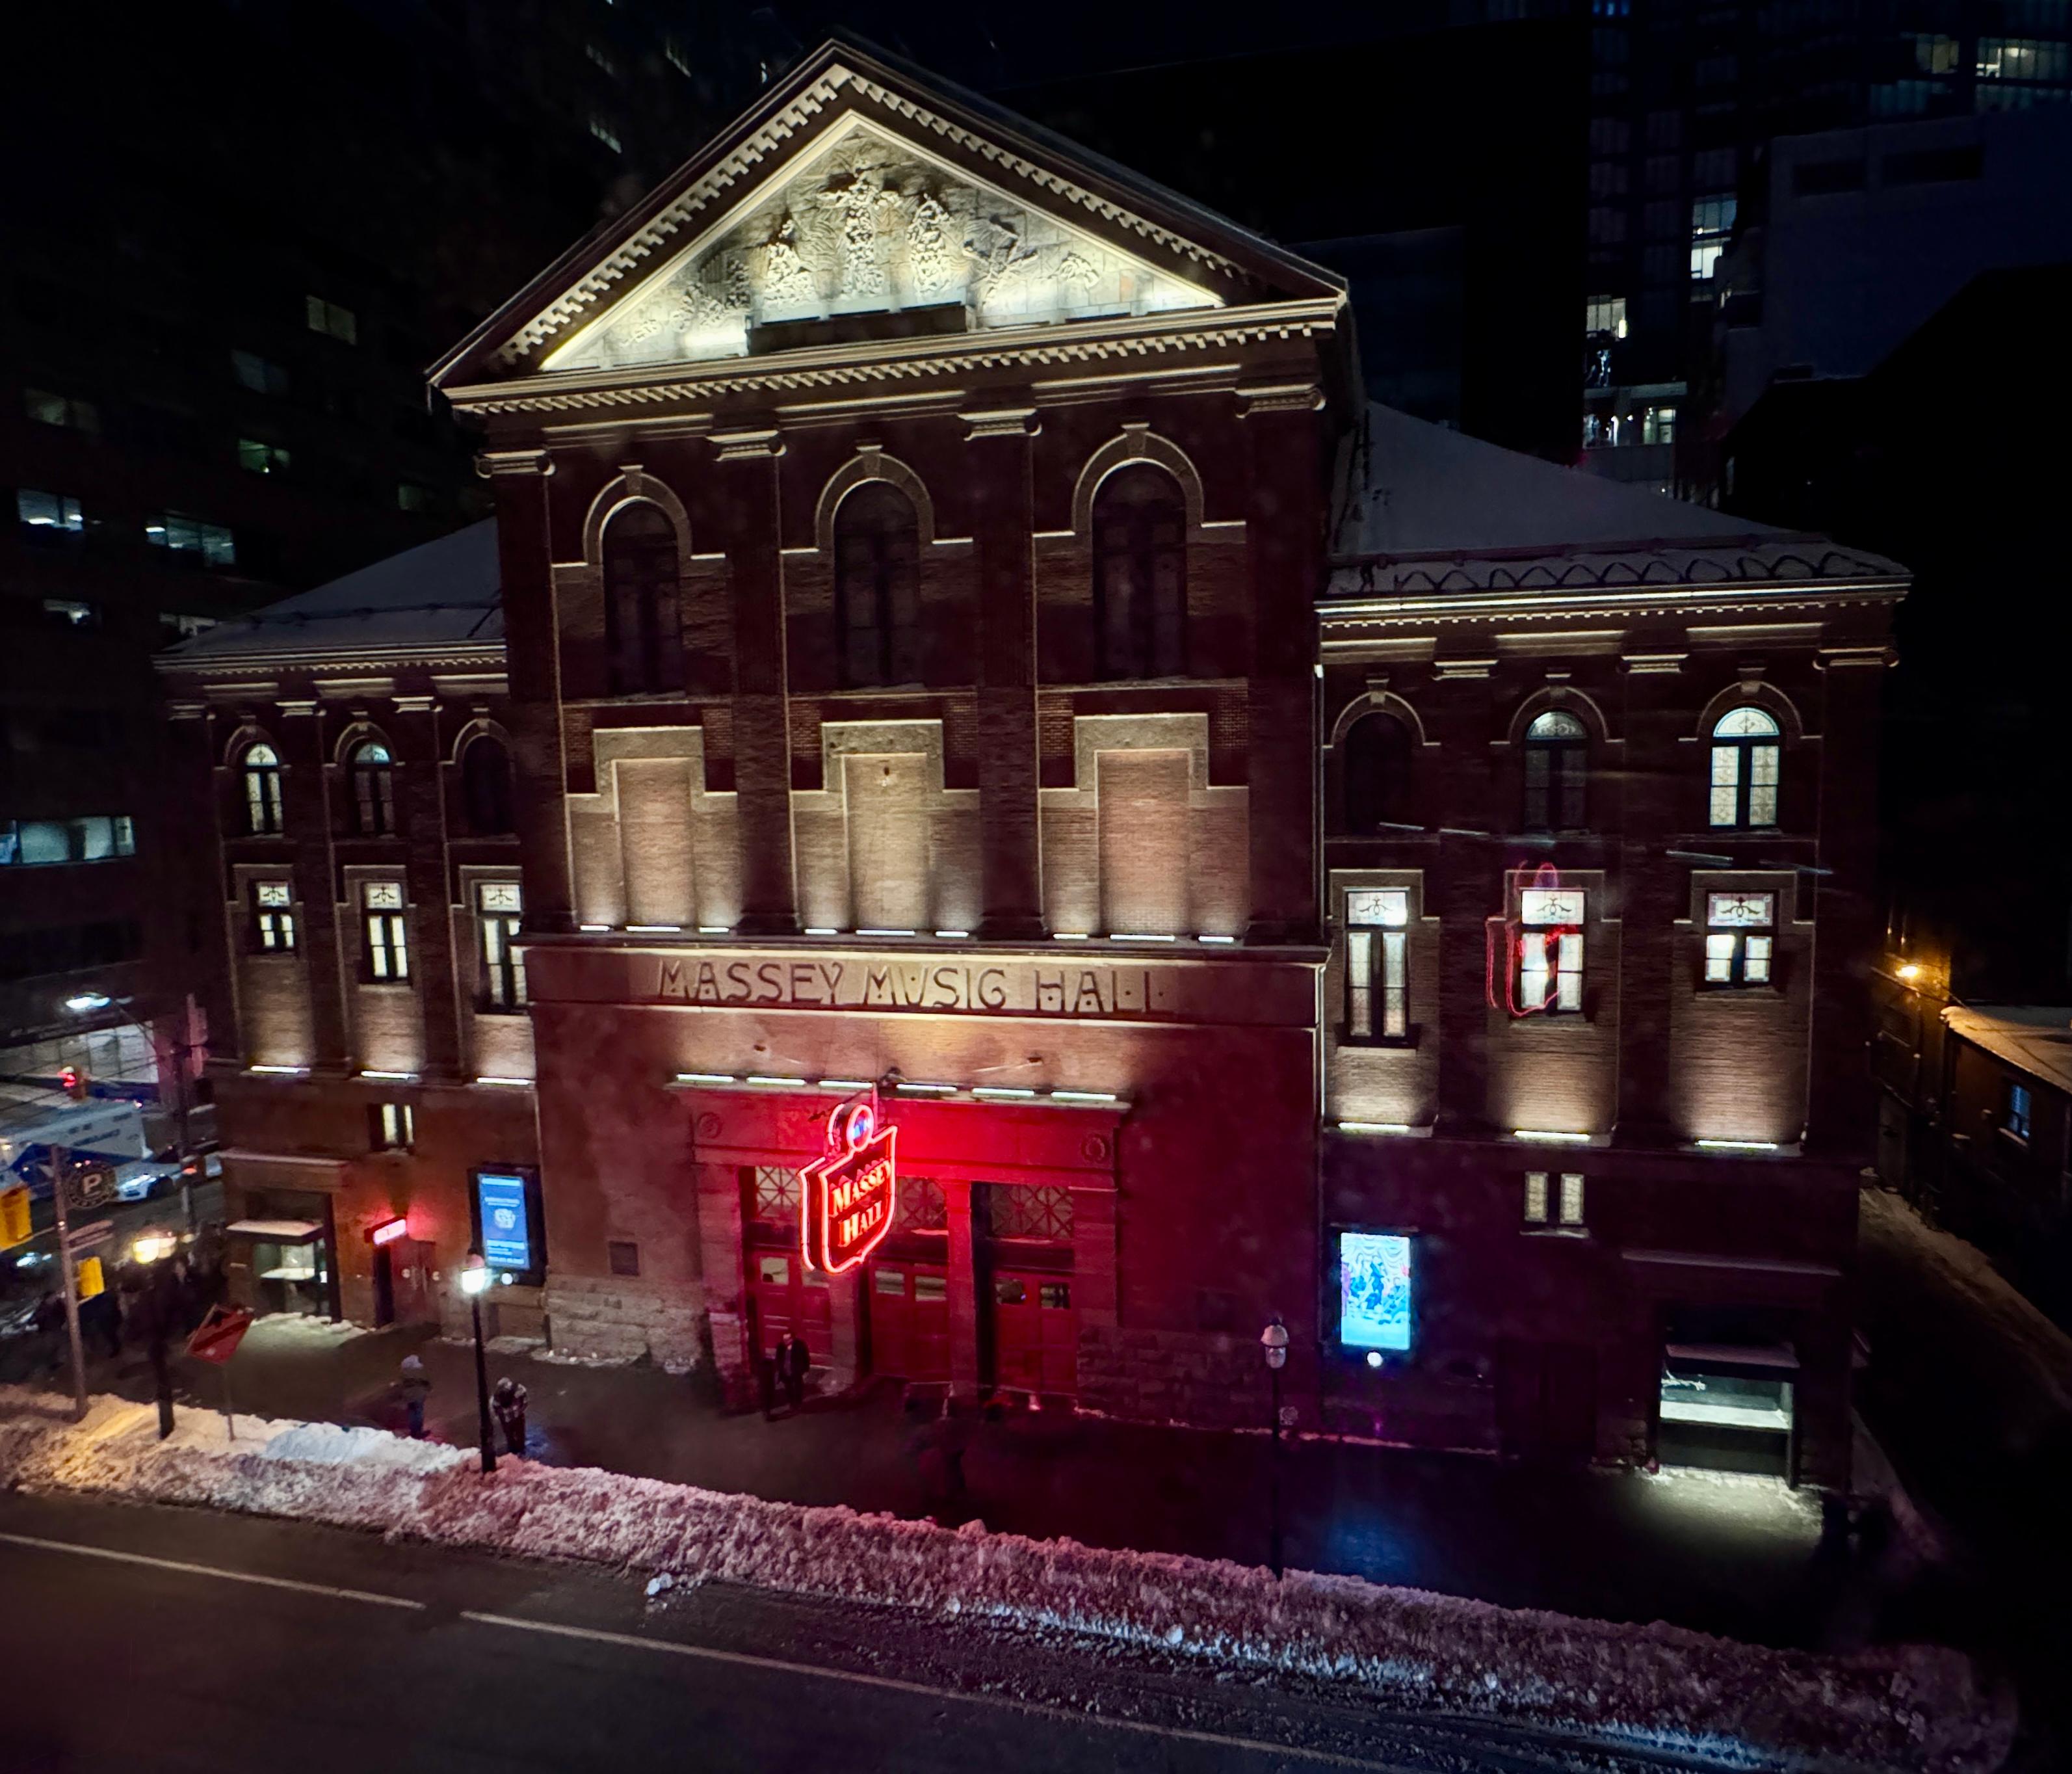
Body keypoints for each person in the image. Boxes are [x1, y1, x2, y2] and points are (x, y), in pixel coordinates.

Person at [491, 1376, 528, 1457]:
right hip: (505, 1415)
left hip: (518, 1413)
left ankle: (521, 1450)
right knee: (509, 1434)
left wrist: (517, 1413)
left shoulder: (519, 1390)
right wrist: (503, 1417)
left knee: (520, 1433)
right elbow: (496, 1407)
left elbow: (524, 1403)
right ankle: (512, 1450)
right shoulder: (498, 1395)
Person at [398, 1353, 431, 1438]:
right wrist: (428, 1388)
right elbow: (424, 1382)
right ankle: (418, 1433)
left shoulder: (404, 1372)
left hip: (409, 1396)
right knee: (418, 1413)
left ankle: (414, 1432)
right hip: (417, 1395)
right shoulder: (417, 1371)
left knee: (412, 1413)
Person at [780, 1328, 810, 1412]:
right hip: (786, 1371)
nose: (785, 1341)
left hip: (796, 1371)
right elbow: (779, 1358)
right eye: (784, 1339)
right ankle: (791, 1403)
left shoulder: (800, 1346)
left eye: (787, 1339)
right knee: (788, 1388)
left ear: (792, 1339)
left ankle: (799, 1403)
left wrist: (806, 1370)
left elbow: (806, 1358)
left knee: (798, 1387)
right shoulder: (781, 1346)